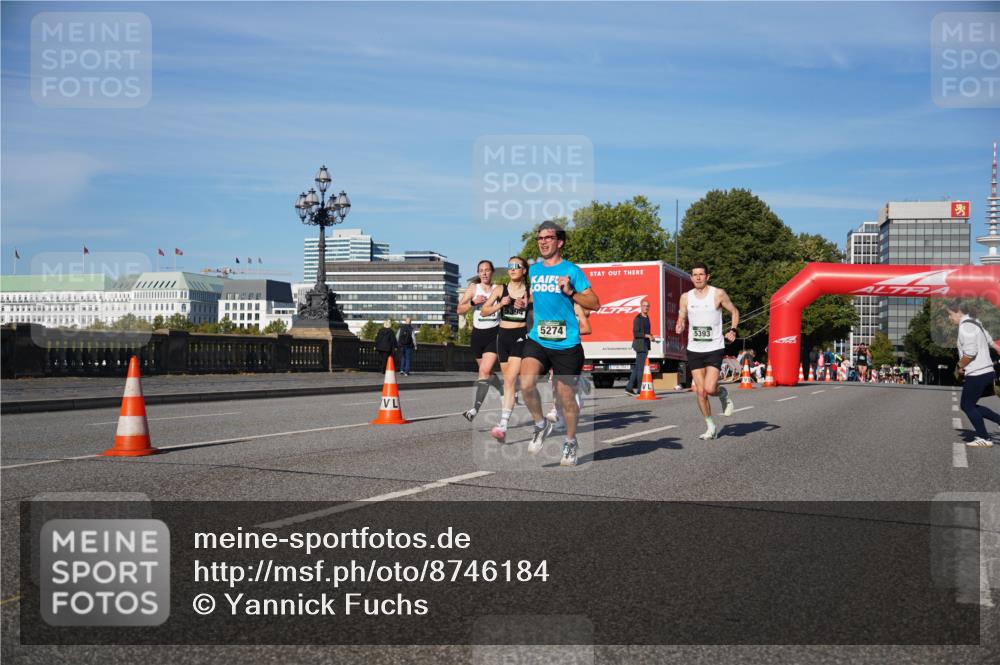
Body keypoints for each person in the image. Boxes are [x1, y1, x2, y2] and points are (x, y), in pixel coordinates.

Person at [519, 220, 599, 466]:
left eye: (548, 238)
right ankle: (540, 424)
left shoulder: (572, 271)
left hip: (566, 344)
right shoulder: (533, 271)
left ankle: (571, 442)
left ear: (559, 242)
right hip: (539, 339)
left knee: (566, 399)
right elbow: (539, 295)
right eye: (539, 238)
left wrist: (571, 293)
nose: (542, 241)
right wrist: (526, 301)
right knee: (526, 383)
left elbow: (595, 303)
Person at [675, 261, 740, 440]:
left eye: (701, 274)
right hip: (694, 349)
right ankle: (710, 426)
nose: (698, 277)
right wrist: (680, 323)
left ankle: (722, 393)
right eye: (695, 274)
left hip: (714, 348)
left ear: (707, 276)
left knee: (710, 388)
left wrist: (733, 330)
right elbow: (682, 315)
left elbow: (734, 311)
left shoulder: (717, 293)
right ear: (691, 277)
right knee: (700, 391)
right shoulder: (686, 297)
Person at [481, 256, 530, 443]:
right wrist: (500, 304)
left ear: (524, 270)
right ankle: (506, 420)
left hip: (520, 335)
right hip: (503, 337)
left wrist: (527, 305)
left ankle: (502, 425)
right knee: (508, 382)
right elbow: (484, 310)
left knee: (509, 380)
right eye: (510, 266)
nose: (512, 269)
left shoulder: (530, 291)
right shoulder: (500, 289)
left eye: (517, 266)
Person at [948, 300, 1000, 448]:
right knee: (970, 405)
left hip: (977, 373)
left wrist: (959, 366)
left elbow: (970, 353)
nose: (949, 318)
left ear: (959, 312)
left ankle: (984, 437)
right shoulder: (976, 323)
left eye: (950, 314)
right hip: (986, 371)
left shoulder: (966, 327)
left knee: (967, 405)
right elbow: (992, 343)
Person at [458, 260, 504, 422]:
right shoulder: (473, 288)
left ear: (492, 273)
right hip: (477, 335)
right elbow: (459, 310)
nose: (484, 273)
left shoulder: (498, 289)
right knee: (488, 374)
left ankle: (473, 410)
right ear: (478, 273)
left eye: (487, 270)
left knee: (484, 372)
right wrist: (472, 303)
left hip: (494, 333)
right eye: (481, 271)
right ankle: (504, 392)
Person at [625, 299, 653, 395]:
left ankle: (629, 387)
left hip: (645, 345)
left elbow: (646, 332)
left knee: (637, 367)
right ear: (641, 306)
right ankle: (640, 390)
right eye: (644, 305)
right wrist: (647, 336)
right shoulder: (638, 318)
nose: (646, 307)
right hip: (640, 346)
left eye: (647, 306)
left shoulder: (647, 318)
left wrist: (651, 336)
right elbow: (636, 333)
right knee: (641, 368)